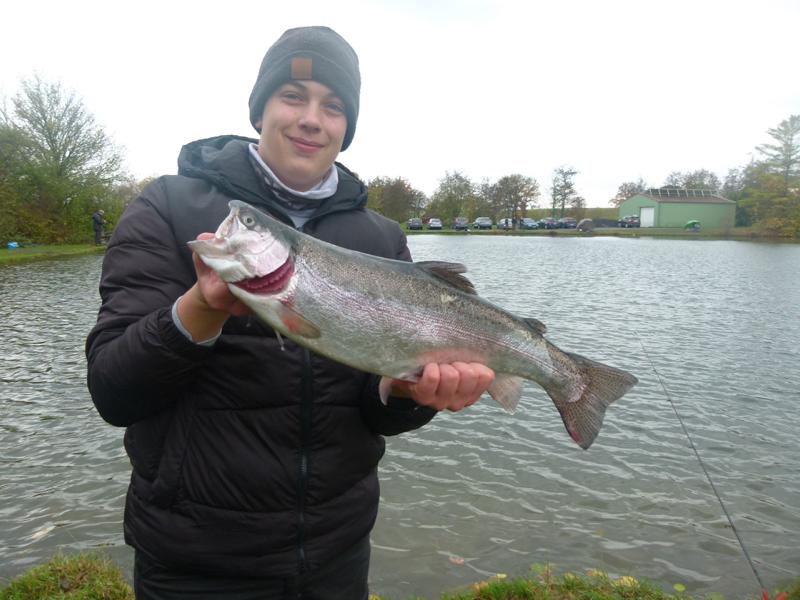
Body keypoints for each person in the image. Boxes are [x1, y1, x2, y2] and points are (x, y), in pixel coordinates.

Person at [85, 26, 494, 600]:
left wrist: (409, 394)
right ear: (260, 110)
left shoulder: (381, 237)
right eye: (293, 96)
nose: (311, 119)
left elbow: (376, 415)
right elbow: (113, 392)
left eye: (333, 106)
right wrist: (200, 309)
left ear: (347, 128)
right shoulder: (167, 207)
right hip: (195, 560)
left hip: (336, 553)